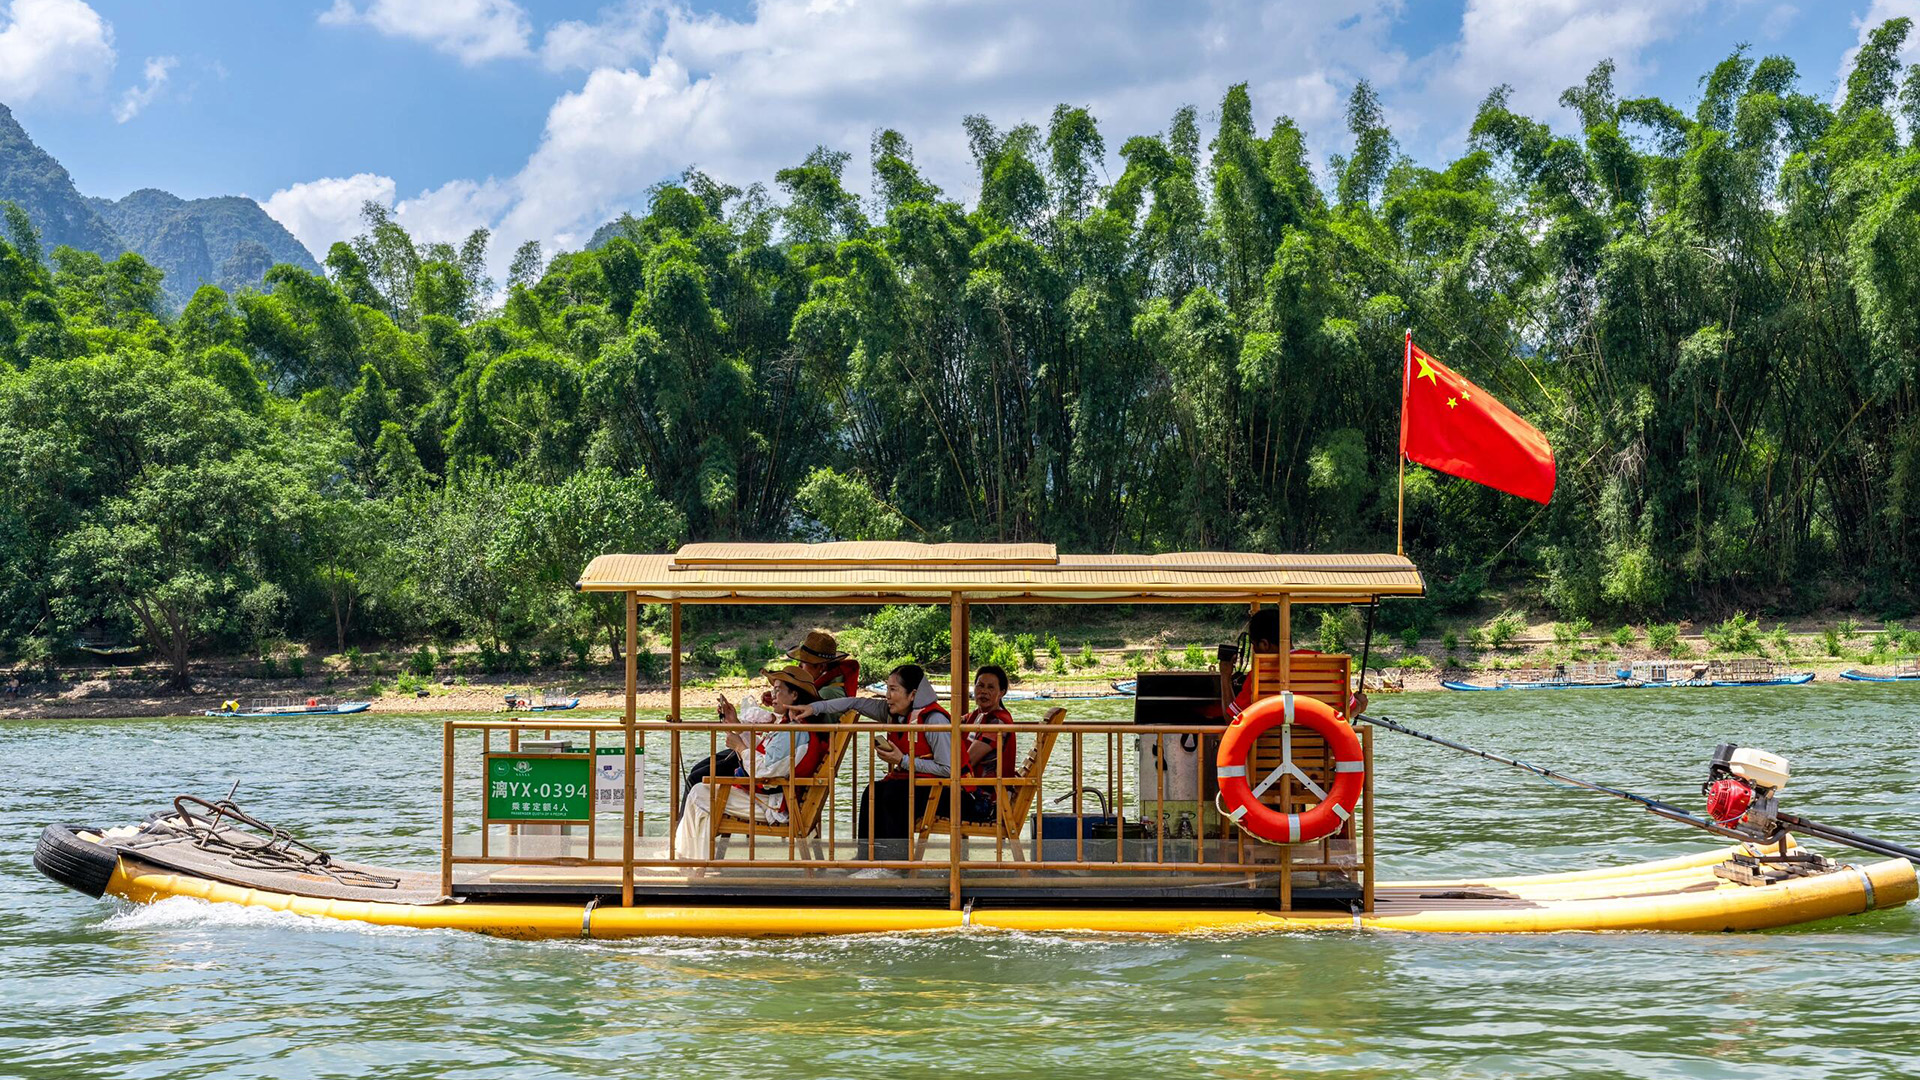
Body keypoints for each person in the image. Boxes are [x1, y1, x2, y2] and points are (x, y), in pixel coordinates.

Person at [786, 663, 959, 869]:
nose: (887, 695)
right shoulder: (893, 713)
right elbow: (855, 703)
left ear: (912, 695)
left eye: (893, 690)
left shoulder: (935, 721)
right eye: (887, 689)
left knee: (893, 796)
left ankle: (897, 867)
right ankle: (867, 859)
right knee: (873, 792)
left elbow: (949, 769)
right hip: (917, 785)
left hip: (947, 793)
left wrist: (902, 760)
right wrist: (814, 708)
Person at [672, 666, 821, 875]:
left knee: (700, 793)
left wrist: (739, 748)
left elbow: (762, 770)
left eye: (778, 690)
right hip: (774, 797)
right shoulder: (791, 727)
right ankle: (691, 858)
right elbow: (764, 754)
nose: (772, 696)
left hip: (774, 804)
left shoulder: (792, 732)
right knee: (702, 788)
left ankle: (693, 862)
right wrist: (736, 725)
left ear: (794, 695)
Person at [1224, 608, 1368, 718]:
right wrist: (1361, 703)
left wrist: (1225, 677)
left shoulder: (1258, 675)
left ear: (1264, 645)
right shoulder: (1330, 667)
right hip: (1320, 753)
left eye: (1254, 645)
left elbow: (1233, 719)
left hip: (1271, 753)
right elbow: (1350, 710)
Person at [959, 665, 1016, 822]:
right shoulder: (978, 715)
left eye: (991, 687)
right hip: (970, 790)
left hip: (985, 801)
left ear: (1002, 692)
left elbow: (968, 761)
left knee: (910, 796)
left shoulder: (997, 723)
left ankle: (896, 845)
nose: (983, 691)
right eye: (980, 685)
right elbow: (949, 724)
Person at [786, 629, 860, 700]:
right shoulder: (832, 682)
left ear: (821, 667)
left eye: (804, 662)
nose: (799, 665)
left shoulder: (826, 693)